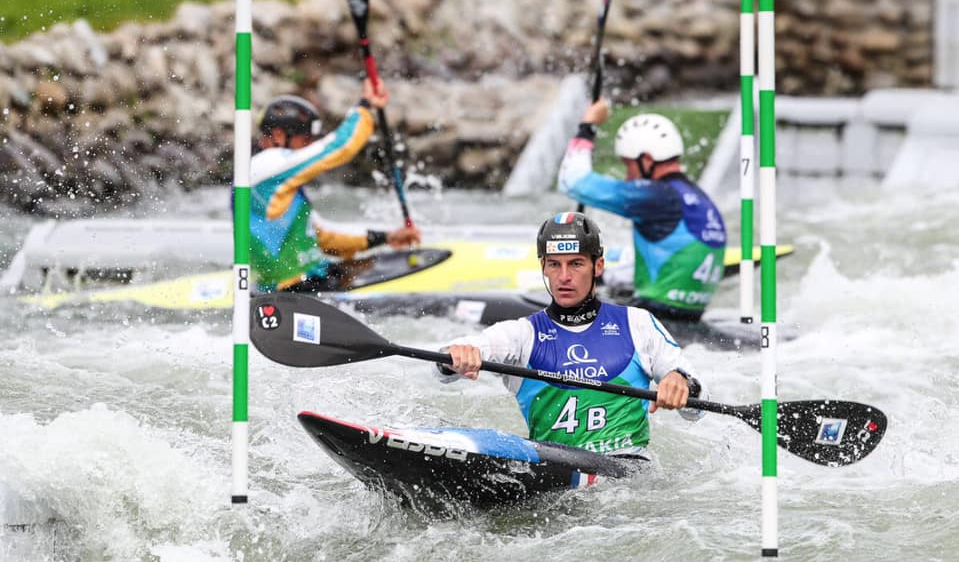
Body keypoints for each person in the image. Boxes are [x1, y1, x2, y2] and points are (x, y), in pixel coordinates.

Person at [436, 212, 706, 457]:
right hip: (556, 469)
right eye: (554, 264)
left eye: (576, 264)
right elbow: (451, 360)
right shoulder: (523, 334)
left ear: (598, 266)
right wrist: (456, 355)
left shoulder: (637, 323)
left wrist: (680, 382)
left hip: (629, 475)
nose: (564, 276)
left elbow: (698, 402)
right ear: (543, 267)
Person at [557, 100, 727, 322]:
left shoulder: (656, 197)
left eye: (629, 166)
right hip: (689, 316)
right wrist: (600, 276)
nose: (628, 177)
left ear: (646, 160)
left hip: (655, 316)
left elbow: (573, 182)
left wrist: (587, 126)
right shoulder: (700, 199)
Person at [250, 80, 421, 293]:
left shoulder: (279, 187)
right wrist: (366, 105)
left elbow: (325, 238)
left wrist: (386, 237)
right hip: (291, 291)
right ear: (277, 136)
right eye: (305, 139)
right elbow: (339, 146)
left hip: (310, 279)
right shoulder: (265, 165)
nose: (310, 146)